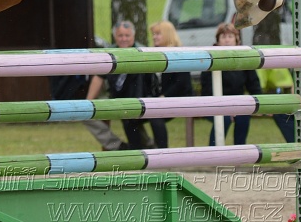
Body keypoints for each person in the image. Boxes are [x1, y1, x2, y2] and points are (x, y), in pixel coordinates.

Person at [87, 20, 158, 149]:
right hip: (115, 97)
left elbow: (151, 83)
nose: (124, 39)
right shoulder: (109, 53)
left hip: (139, 99)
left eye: (127, 35)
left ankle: (148, 146)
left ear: (133, 36)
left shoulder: (143, 53)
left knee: (130, 118)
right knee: (85, 112)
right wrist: (88, 101)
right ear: (115, 36)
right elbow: (99, 77)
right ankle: (117, 146)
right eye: (120, 36)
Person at [201, 23, 263, 146]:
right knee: (223, 119)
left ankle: (239, 151)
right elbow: (207, 90)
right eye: (223, 37)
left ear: (236, 40)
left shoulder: (245, 60)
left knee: (243, 116)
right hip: (214, 104)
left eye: (230, 36)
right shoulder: (210, 60)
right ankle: (213, 152)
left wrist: (260, 103)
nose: (227, 40)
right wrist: (224, 108)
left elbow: (254, 84)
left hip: (238, 104)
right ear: (218, 41)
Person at [149, 20, 192, 148]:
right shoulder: (152, 53)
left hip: (180, 98)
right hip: (161, 99)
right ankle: (139, 149)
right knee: (131, 119)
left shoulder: (178, 54)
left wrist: (164, 97)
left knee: (154, 115)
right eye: (153, 34)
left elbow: (182, 83)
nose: (154, 37)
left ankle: (163, 153)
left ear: (167, 35)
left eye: (158, 34)